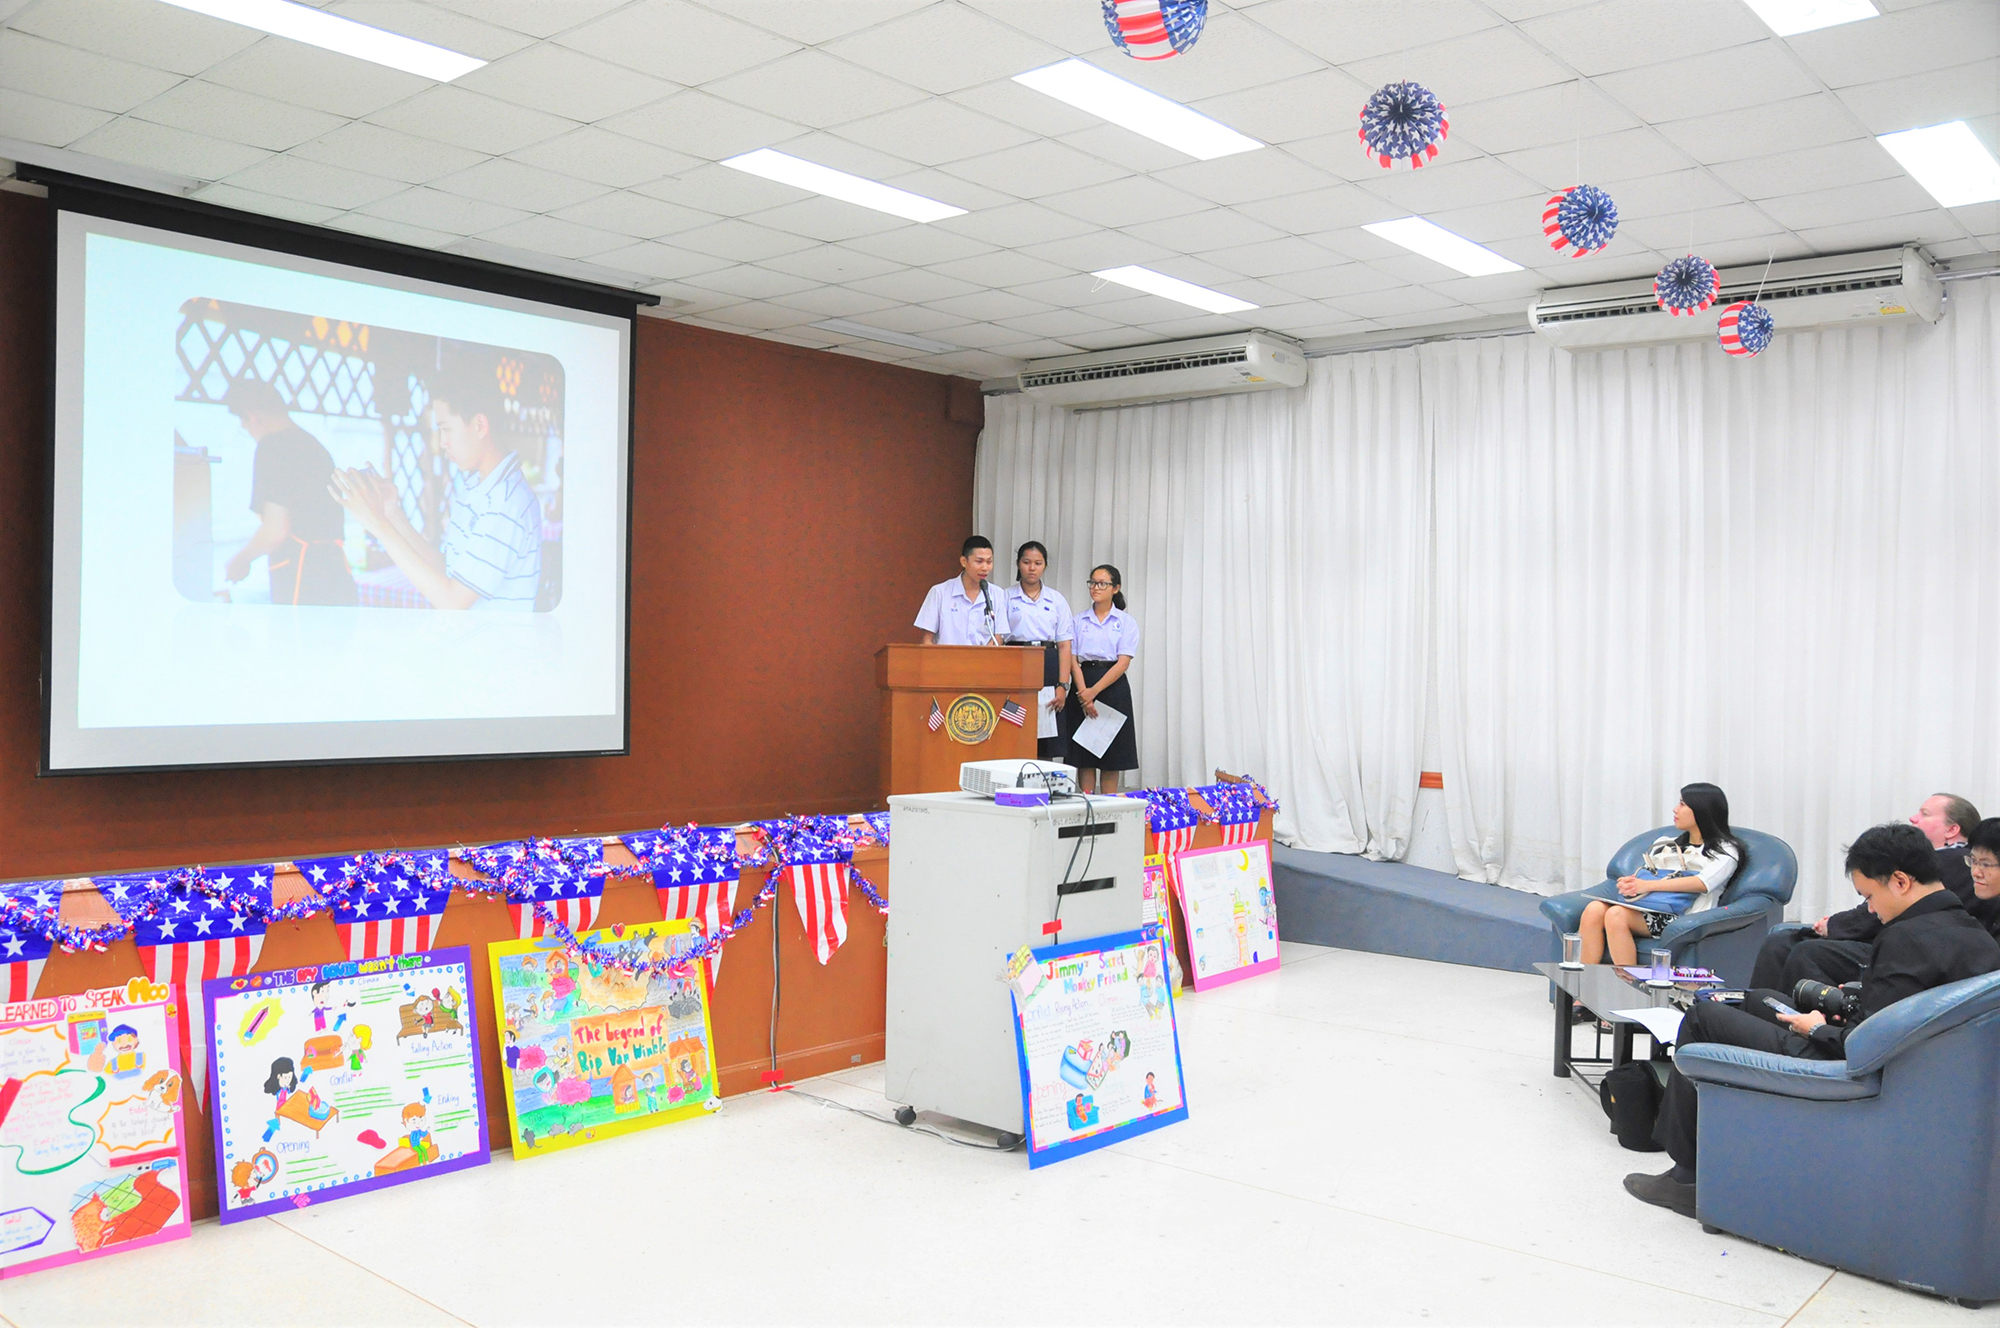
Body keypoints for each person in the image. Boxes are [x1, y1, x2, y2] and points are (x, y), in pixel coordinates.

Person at [1626, 823, 2000, 1217]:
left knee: (1703, 1016)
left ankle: (1686, 1177)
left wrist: (1817, 1028)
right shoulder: (1974, 934)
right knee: (1759, 998)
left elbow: (1867, 1045)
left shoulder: (1906, 937)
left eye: (1870, 897)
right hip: (1919, 1067)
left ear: (1901, 881)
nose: (1872, 909)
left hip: (1851, 1066)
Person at [329, 368, 542, 610]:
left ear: (480, 425)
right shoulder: (478, 486)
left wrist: (378, 525)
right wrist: (391, 513)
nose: (442, 443)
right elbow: (447, 569)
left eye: (446, 429)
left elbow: (453, 601)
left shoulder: (506, 502)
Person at [1750, 792, 1981, 990]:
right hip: (1892, 941)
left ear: (1952, 829)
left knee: (1803, 951)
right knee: (1782, 943)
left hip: (1904, 949)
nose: (1913, 818)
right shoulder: (1939, 860)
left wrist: (1834, 925)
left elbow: (1880, 913)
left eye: (1925, 814)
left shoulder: (1955, 862)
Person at [221, 378, 358, 606]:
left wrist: (240, 561)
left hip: (303, 578)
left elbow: (275, 530)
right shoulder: (313, 445)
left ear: (252, 416)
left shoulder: (272, 447)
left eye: (242, 423)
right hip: (335, 570)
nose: (246, 429)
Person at [1576, 784, 1744, 968]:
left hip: (1684, 917)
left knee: (1616, 915)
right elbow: (1649, 875)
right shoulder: (1665, 844)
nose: (1675, 809)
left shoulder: (1725, 850)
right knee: (1594, 909)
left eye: (1682, 804)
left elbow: (1702, 883)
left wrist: (1646, 886)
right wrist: (1632, 884)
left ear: (1701, 810)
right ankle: (1583, 984)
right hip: (1647, 907)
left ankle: (1629, 982)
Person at [1063, 565, 1139, 794]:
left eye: (1102, 584)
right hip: (1082, 684)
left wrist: (1093, 692)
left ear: (1116, 588)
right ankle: (1086, 802)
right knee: (1083, 755)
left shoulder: (1126, 622)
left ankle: (1109, 805)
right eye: (1093, 583)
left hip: (1113, 687)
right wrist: (1084, 694)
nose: (1096, 588)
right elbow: (1072, 660)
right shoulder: (1078, 620)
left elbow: (1123, 663)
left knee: (1111, 757)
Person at [1002, 541, 1075, 761]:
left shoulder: (1056, 599)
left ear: (1044, 566)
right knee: (1015, 727)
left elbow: (1064, 645)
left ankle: (1043, 779)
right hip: (1015, 661)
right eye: (1026, 562)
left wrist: (1063, 685)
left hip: (1048, 663)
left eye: (1038, 563)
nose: (1032, 568)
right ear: (1018, 564)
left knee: (1046, 734)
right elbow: (997, 639)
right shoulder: (1005, 597)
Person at [915, 536, 1007, 645]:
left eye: (989, 562)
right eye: (979, 561)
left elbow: (998, 637)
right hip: (946, 656)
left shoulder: (997, 594)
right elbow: (927, 640)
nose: (985, 568)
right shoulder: (939, 592)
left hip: (983, 656)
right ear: (964, 561)